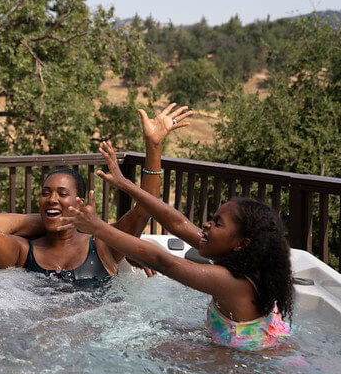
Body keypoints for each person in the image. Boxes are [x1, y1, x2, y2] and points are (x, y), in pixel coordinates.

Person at [62, 141, 293, 350]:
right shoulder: (238, 257)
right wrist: (126, 184)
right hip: (251, 347)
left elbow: (164, 262)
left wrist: (97, 227)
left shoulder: (231, 281)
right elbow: (177, 222)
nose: (206, 224)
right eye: (212, 218)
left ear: (242, 243)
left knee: (152, 350)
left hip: (251, 363)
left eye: (217, 223)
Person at [0, 104, 192, 284]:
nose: (52, 199)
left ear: (78, 201)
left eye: (62, 193)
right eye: (45, 193)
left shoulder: (102, 247)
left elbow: (143, 210)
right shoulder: (23, 253)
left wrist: (153, 146)